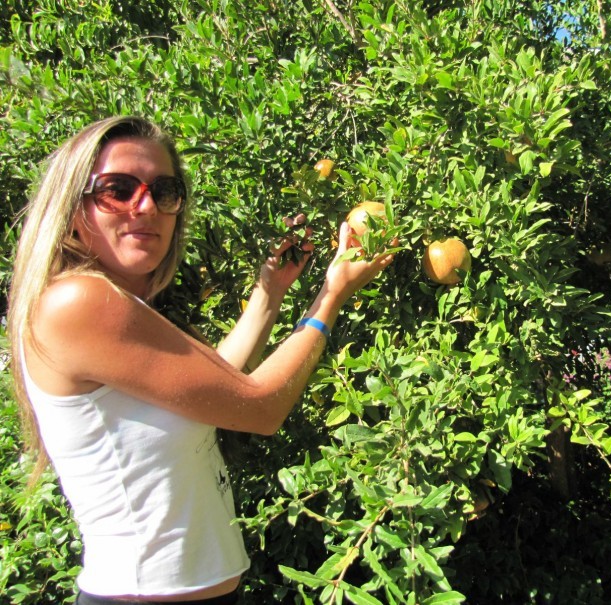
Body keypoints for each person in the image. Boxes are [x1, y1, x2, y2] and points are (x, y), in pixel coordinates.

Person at [7, 116, 394, 604]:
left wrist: (269, 292)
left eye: (164, 191)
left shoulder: (112, 304)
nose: (144, 206)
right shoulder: (80, 303)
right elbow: (260, 407)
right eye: (117, 189)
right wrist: (330, 298)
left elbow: (218, 387)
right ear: (72, 205)